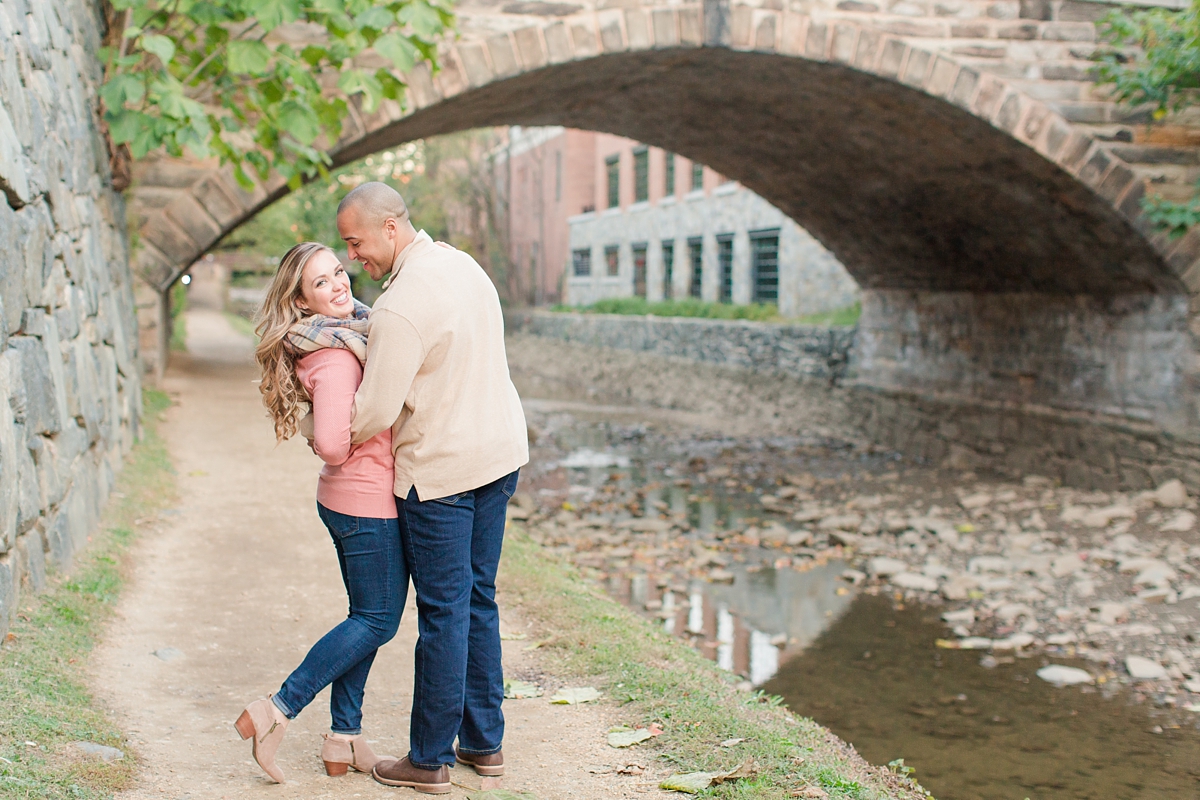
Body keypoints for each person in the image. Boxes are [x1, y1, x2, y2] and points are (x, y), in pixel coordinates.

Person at [336, 182, 528, 794]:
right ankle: (484, 744)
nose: (352, 258)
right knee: (478, 599)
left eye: (356, 242)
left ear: (389, 227)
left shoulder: (397, 307)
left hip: (443, 472)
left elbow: (374, 411)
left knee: (443, 612)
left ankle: (428, 759)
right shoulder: (464, 266)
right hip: (498, 454)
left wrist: (327, 421)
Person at [234, 241, 405, 783]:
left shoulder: (346, 334)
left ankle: (344, 738)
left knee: (365, 619)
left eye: (338, 272)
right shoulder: (333, 356)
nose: (339, 285)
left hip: (349, 499)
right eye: (322, 284)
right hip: (364, 500)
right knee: (376, 619)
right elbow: (332, 443)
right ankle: (276, 710)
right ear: (303, 303)